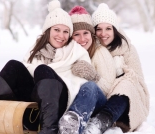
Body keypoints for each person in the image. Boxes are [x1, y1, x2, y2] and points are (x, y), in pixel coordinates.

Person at [0, 0, 91, 134]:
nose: (61, 35)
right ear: (48, 31)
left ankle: (49, 130)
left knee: (43, 70)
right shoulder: (36, 50)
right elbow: (25, 74)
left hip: (60, 105)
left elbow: (82, 87)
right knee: (13, 65)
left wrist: (45, 73)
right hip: (34, 107)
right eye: (57, 30)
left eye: (66, 31)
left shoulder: (77, 51)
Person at [60, 3, 150, 134]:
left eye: (108, 28)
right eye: (99, 29)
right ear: (94, 31)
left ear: (115, 30)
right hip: (99, 98)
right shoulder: (89, 46)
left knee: (126, 84)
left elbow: (138, 79)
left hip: (126, 99)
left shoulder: (127, 49)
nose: (103, 34)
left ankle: (98, 124)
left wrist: (119, 78)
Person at [57, 6, 116, 134]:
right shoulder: (67, 54)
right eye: (76, 34)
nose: (82, 39)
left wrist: (93, 76)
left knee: (90, 86)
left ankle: (72, 125)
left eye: (86, 33)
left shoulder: (100, 53)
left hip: (97, 103)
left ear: (91, 34)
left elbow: (109, 89)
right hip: (72, 101)